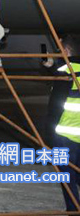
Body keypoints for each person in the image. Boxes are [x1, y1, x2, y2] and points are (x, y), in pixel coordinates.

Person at [52, 36, 80, 212]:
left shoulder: (65, 71)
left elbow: (55, 105)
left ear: (66, 51)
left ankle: (73, 209)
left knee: (67, 177)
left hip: (64, 135)